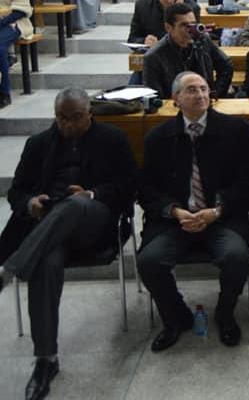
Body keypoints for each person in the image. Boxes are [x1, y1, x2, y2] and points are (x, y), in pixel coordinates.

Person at [0, 88, 135, 400]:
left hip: (94, 221)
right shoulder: (39, 144)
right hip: (48, 228)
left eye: (75, 118)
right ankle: (46, 360)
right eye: (62, 118)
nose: (68, 125)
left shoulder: (112, 139)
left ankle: (9, 268)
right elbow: (17, 191)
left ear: (90, 113)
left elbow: (128, 187)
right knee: (45, 264)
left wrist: (92, 194)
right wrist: (30, 201)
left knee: (74, 206)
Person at [138, 72, 249, 352]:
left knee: (235, 256)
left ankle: (225, 314)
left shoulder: (236, 130)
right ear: (176, 99)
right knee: (150, 261)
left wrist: (218, 210)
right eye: (192, 90)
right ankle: (175, 318)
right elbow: (146, 189)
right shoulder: (158, 137)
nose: (201, 95)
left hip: (222, 218)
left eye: (204, 89)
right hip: (176, 222)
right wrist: (175, 211)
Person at [143, 3, 234, 99]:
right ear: (168, 27)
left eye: (193, 24)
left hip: (204, 103)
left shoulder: (202, 40)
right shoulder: (154, 56)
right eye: (184, 25)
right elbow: (154, 97)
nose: (191, 30)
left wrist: (215, 93)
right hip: (174, 107)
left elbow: (226, 66)